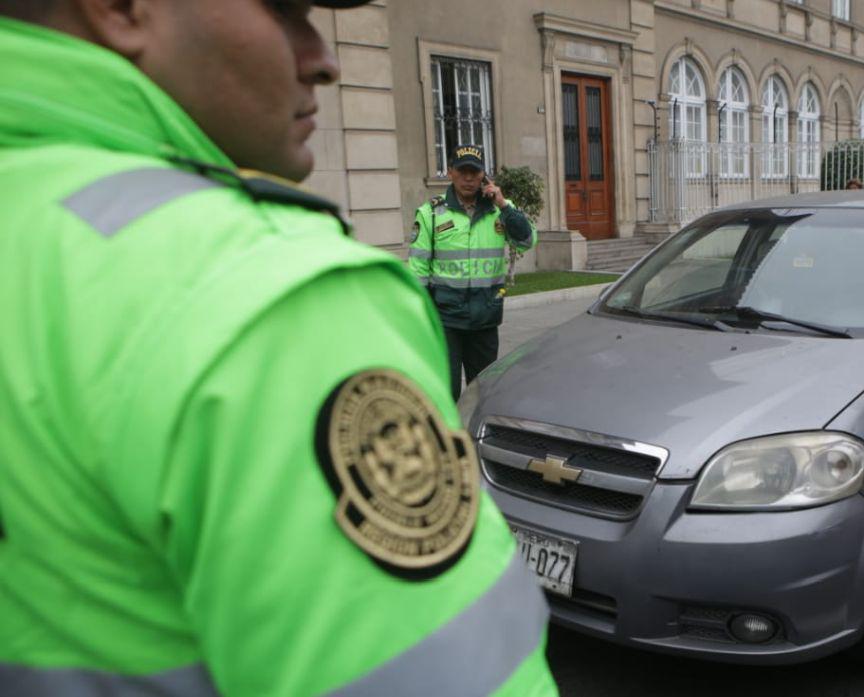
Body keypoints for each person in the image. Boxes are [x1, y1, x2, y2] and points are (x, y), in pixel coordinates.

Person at [0, 3, 556, 696]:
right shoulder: (266, 295)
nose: (321, 57)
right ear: (118, 9)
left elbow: (525, 242)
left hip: (484, 317)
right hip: (445, 315)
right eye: (283, 8)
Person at [409, 145, 537, 399]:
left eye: (474, 173)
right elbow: (418, 270)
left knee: (483, 392)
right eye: (462, 171)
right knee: (445, 392)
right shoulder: (431, 213)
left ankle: (475, 438)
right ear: (450, 172)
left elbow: (526, 241)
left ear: (484, 176)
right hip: (446, 320)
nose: (468, 179)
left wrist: (503, 204)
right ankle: (450, 437)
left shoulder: (500, 209)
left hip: (485, 318)